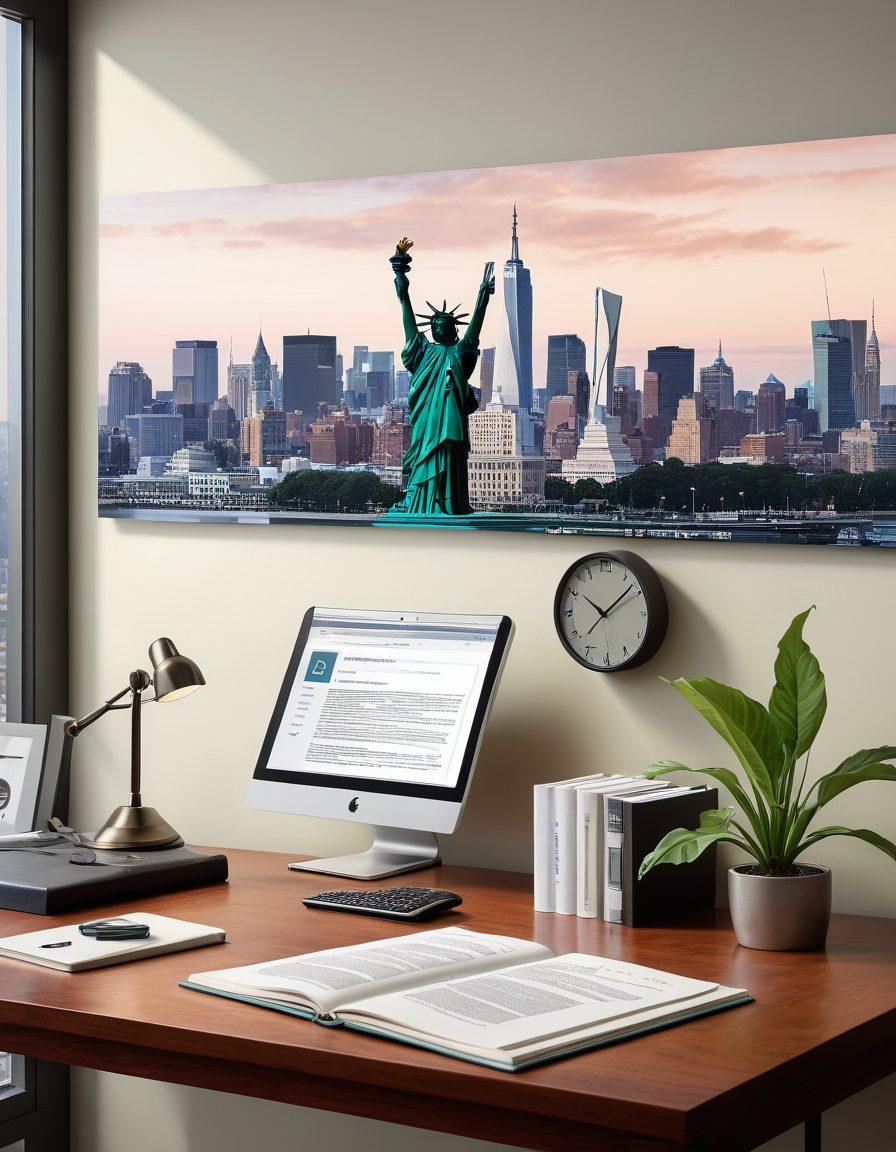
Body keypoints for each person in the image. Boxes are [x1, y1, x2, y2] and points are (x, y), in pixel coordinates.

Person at [387, 238, 494, 516]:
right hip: (426, 420)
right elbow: (406, 313)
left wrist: (482, 297)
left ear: (451, 330)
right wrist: (400, 276)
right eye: (434, 324)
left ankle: (444, 503)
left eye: (442, 325)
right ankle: (419, 501)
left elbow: (475, 328)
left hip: (449, 418)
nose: (437, 328)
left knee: (448, 454)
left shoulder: (459, 351)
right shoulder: (422, 350)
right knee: (424, 454)